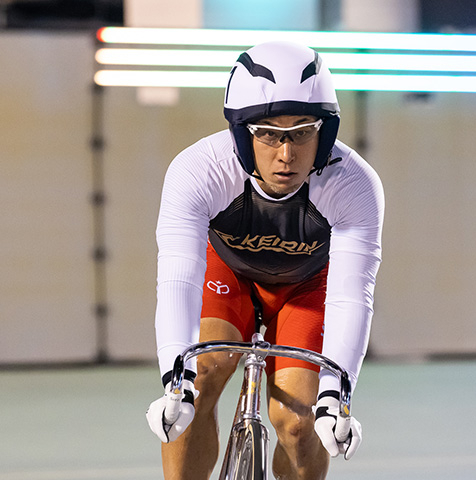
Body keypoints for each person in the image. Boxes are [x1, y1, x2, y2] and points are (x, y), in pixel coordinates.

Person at [145, 40, 385, 480]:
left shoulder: (353, 184)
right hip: (228, 274)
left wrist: (335, 396)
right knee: (202, 376)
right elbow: (178, 278)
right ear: (241, 132)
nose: (286, 154)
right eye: (268, 133)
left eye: (303, 131)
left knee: (298, 423)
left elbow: (351, 295)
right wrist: (175, 379)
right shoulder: (199, 169)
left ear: (326, 132)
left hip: (307, 288)